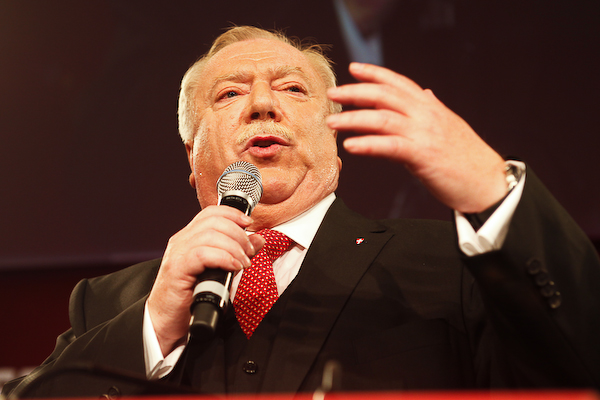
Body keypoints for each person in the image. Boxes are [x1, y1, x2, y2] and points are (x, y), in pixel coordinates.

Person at [3, 26, 599, 398]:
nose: (263, 104)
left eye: (292, 89)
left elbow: (580, 362)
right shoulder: (111, 304)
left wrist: (495, 190)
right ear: (191, 156)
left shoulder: (450, 263)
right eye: (229, 94)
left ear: (334, 145)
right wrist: (155, 324)